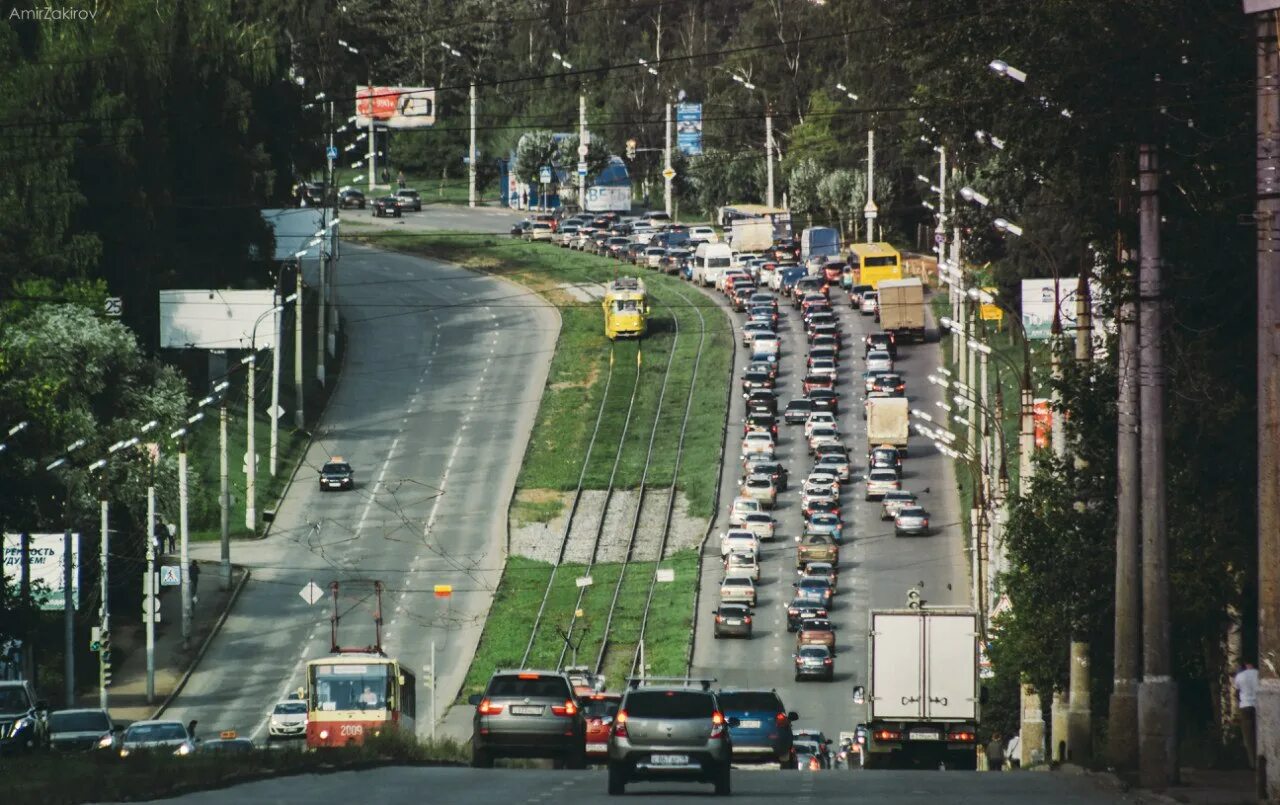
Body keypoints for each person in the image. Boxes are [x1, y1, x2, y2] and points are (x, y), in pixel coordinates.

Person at [1235, 659, 1259, 768]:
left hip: (1245, 706)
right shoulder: (1259, 674)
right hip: (1258, 706)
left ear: (1244, 664)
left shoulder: (1240, 676)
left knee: (1248, 738)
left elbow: (1237, 691)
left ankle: (1253, 763)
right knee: (1258, 735)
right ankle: (1262, 760)